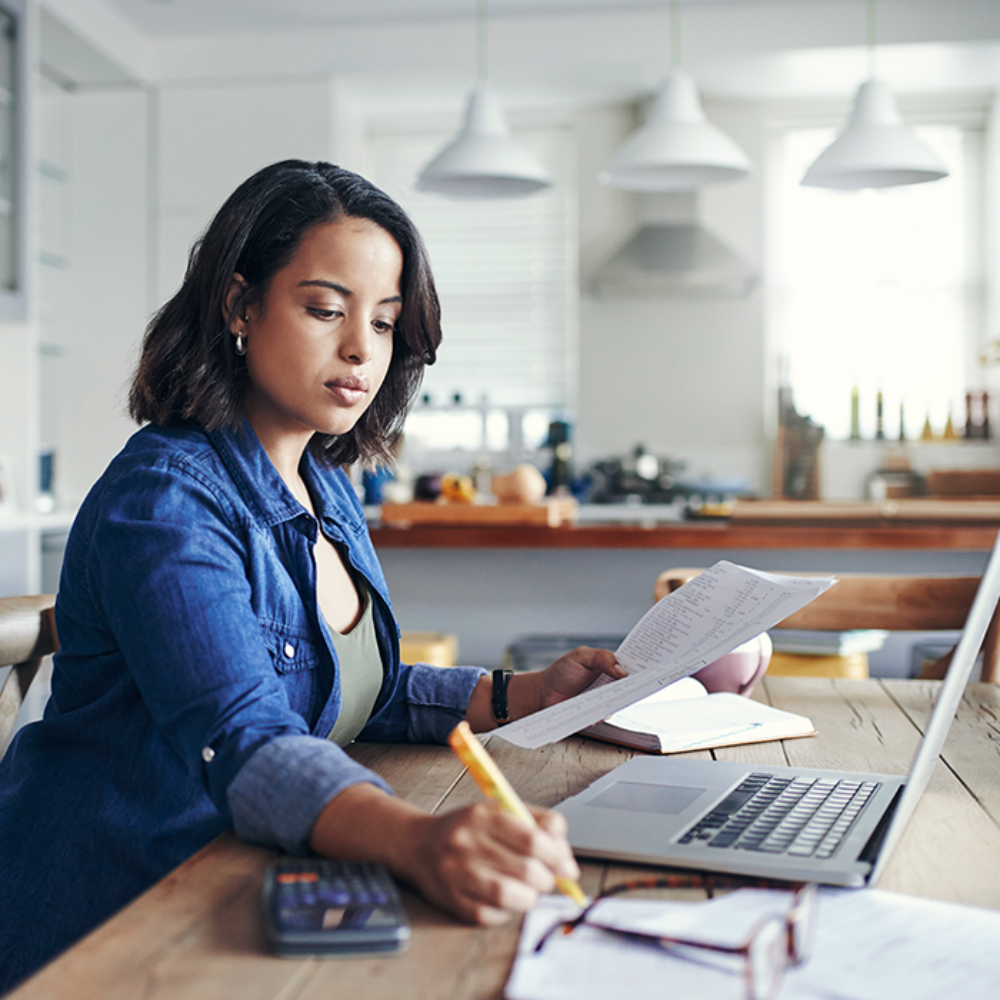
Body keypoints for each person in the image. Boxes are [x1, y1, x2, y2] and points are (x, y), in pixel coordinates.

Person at [0, 160, 624, 993]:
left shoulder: (325, 481)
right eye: (325, 309)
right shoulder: (164, 502)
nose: (362, 347)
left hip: (242, 880)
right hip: (120, 916)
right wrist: (417, 839)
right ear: (239, 305)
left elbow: (353, 687)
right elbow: (249, 735)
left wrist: (524, 694)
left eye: (386, 320)